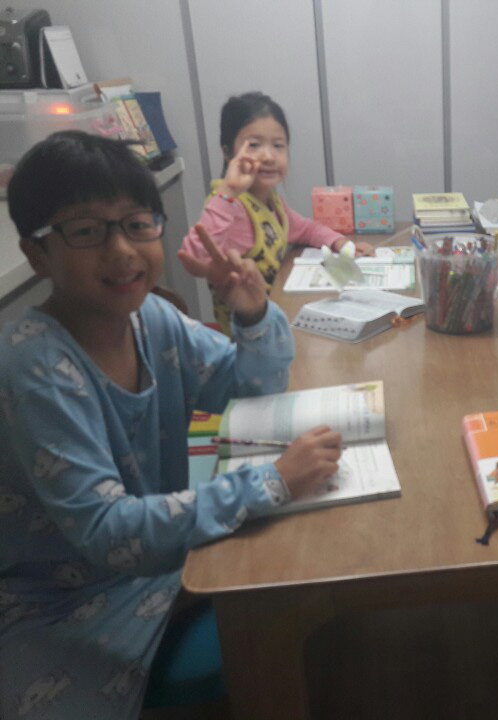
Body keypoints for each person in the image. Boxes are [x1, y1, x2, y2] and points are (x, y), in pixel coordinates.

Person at [0, 131, 343, 718]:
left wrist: (252, 313)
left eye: (137, 224)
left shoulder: (153, 317)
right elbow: (106, 531)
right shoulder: (36, 366)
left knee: (311, 579)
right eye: (87, 231)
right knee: (275, 621)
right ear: (37, 254)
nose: (122, 251)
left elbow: (248, 394)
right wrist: (271, 483)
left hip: (164, 555)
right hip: (65, 600)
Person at [180, 91, 375, 333]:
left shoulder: (270, 201)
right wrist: (228, 192)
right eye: (254, 145)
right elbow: (195, 259)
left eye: (278, 146)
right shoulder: (229, 205)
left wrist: (341, 243)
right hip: (246, 337)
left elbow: (307, 229)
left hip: (278, 320)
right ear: (228, 153)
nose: (269, 156)